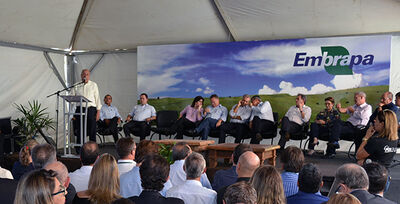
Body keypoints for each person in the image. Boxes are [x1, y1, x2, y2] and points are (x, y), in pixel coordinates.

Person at [330, 92, 372, 158]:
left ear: (362, 98)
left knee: (336, 129)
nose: (354, 100)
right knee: (336, 121)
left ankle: (333, 145)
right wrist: (339, 108)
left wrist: (353, 111)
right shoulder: (355, 106)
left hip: (356, 128)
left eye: (356, 98)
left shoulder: (367, 107)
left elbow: (363, 116)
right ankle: (335, 142)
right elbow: (345, 110)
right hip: (348, 124)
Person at [72, 69, 102, 146]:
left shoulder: (93, 85)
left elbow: (97, 98)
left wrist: (98, 112)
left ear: (89, 76)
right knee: (80, 129)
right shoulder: (76, 85)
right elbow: (71, 98)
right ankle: (79, 149)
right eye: (83, 74)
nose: (85, 76)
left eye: (87, 74)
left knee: (92, 129)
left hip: (90, 109)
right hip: (80, 109)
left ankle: (93, 148)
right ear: (81, 75)